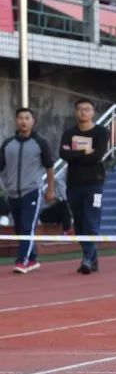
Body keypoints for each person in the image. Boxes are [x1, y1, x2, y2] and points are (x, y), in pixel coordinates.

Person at [0, 108, 56, 274]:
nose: (24, 121)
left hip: (32, 191)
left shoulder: (40, 143)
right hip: (12, 193)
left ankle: (22, 261)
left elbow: (50, 167)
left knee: (27, 226)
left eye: (27, 118)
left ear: (33, 121)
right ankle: (32, 258)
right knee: (20, 228)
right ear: (16, 121)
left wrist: (50, 190)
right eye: (20, 118)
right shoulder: (8, 144)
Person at [59, 98, 110, 275]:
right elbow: (63, 154)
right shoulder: (69, 133)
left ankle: (87, 259)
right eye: (80, 109)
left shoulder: (101, 132)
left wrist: (76, 155)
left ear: (93, 112)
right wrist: (83, 152)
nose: (83, 112)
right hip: (73, 184)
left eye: (87, 109)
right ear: (75, 112)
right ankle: (92, 257)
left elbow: (97, 156)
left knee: (91, 223)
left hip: (94, 184)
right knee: (79, 226)